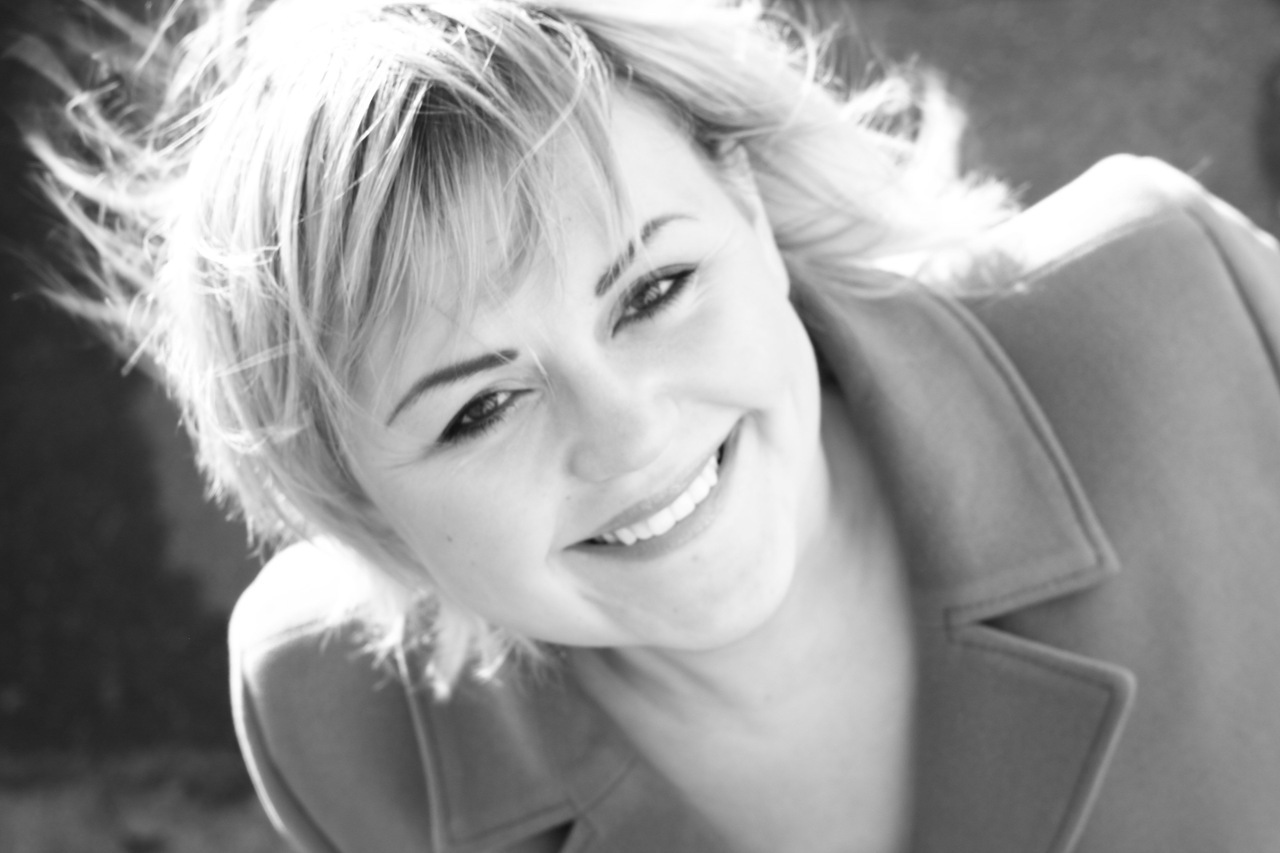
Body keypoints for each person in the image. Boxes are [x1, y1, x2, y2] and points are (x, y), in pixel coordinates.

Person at [16, 0, 1280, 850]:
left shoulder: (1168, 301)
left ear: (744, 205)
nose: (624, 433)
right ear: (358, 503)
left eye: (653, 292)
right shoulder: (334, 712)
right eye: (479, 406)